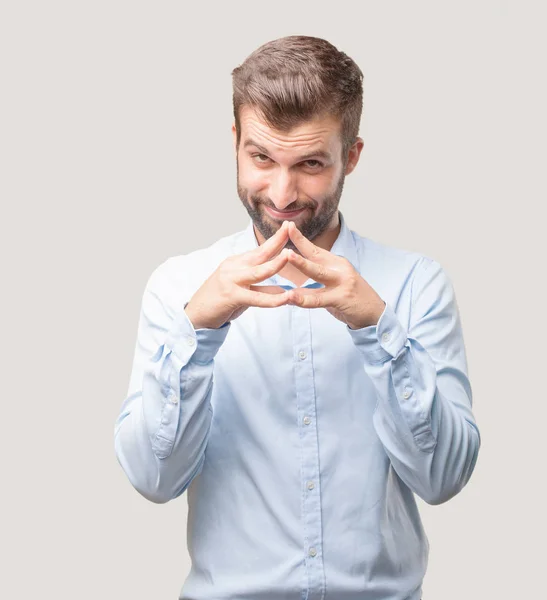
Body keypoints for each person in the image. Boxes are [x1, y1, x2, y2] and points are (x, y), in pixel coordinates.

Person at [114, 35, 481, 600]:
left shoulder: (413, 285)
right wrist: (199, 330)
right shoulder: (178, 287)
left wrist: (376, 328)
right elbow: (152, 481)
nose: (282, 194)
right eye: (262, 157)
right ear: (234, 142)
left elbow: (444, 480)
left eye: (310, 163)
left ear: (351, 157)